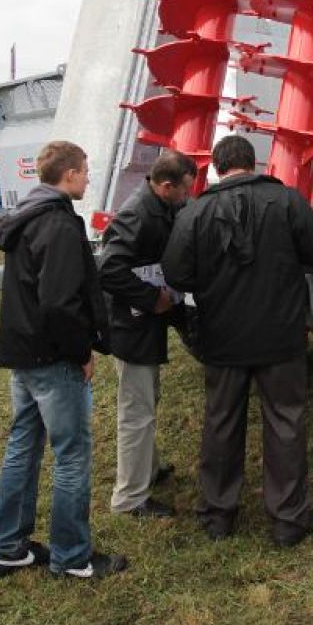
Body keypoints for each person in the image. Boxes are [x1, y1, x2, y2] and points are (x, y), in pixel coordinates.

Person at [161, 134, 313, 547]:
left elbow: (176, 274)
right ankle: (289, 520)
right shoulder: (288, 201)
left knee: (221, 422)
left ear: (218, 168)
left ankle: (218, 516)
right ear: (253, 163)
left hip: (222, 337)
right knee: (285, 422)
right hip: (281, 335)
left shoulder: (196, 211)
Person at [0, 140, 126, 580]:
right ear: (68, 175)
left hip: (23, 356)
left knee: (23, 449)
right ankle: (72, 557)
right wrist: (81, 352)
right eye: (85, 171)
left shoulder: (26, 217)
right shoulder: (60, 224)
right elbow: (60, 303)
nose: (88, 178)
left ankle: (9, 547)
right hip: (53, 359)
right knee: (71, 456)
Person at [98, 151, 197, 519]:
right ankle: (129, 499)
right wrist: (151, 299)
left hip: (144, 324)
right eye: (185, 190)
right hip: (132, 325)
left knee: (146, 399)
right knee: (136, 411)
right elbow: (108, 270)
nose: (188, 197)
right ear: (166, 186)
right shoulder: (136, 214)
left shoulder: (162, 206)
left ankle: (149, 471)